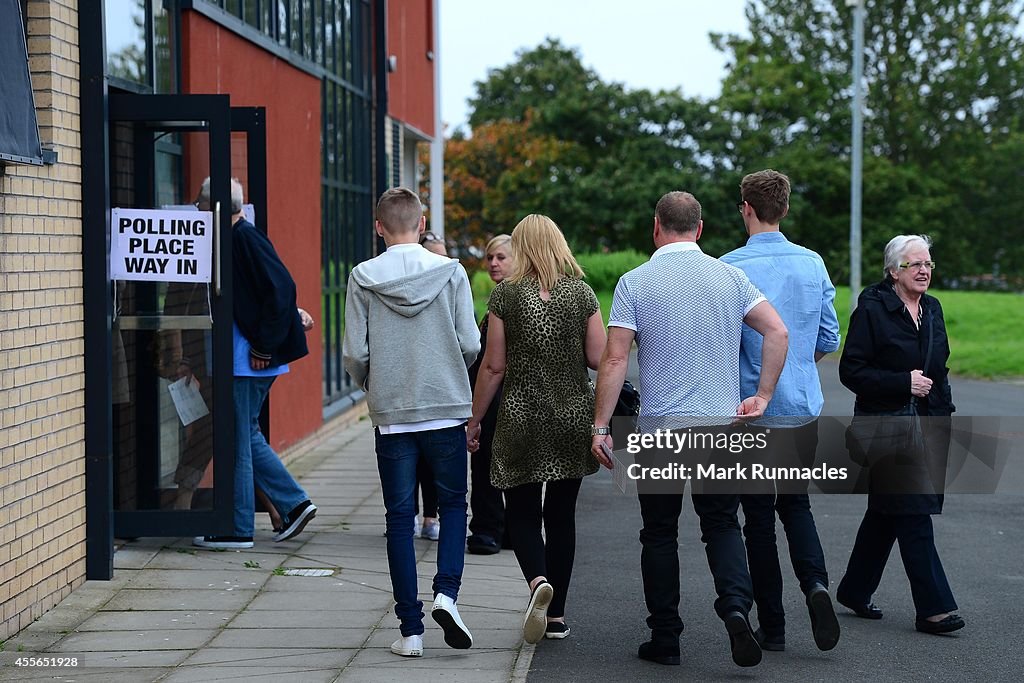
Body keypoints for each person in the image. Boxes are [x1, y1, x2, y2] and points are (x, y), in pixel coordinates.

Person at [591, 191, 788, 668]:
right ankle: (736, 609)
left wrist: (600, 425)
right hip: (721, 425)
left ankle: (666, 637)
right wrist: (760, 396)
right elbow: (778, 332)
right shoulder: (731, 277)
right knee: (721, 525)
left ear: (657, 227)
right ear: (699, 229)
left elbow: (615, 357)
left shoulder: (635, 281)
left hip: (660, 428)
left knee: (658, 534)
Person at [344, 187, 480, 658]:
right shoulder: (451, 272)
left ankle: (411, 631)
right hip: (444, 406)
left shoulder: (363, 277)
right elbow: (469, 343)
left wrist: (371, 383)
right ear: (422, 225)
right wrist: (450, 373)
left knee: (399, 520)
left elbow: (355, 352)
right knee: (454, 506)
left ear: (379, 227)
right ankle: (447, 593)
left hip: (393, 413)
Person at [467, 215, 606, 643]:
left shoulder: (506, 296)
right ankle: (558, 615)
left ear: (523, 247)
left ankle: (536, 583)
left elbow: (493, 366)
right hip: (572, 416)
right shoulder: (581, 293)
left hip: (520, 416)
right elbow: (599, 359)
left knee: (522, 512)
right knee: (561, 516)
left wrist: (474, 421)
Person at [720, 169, 842, 653]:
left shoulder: (728, 267)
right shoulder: (812, 263)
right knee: (796, 504)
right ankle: (815, 584)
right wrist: (796, 369)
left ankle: (773, 626)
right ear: (784, 208)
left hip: (749, 408)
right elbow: (828, 337)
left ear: (746, 208)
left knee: (758, 520)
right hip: (800, 406)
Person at [836, 234, 964, 635]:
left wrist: (942, 417)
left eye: (928, 263)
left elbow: (939, 370)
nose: (924, 270)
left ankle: (855, 590)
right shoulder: (872, 309)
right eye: (914, 264)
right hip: (884, 427)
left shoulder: (933, 308)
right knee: (912, 513)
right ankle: (934, 609)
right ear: (894, 271)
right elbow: (851, 371)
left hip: (925, 425)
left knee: (887, 513)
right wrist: (900, 382)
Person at [193, 177, 317, 550]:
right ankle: (294, 505)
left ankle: (237, 527)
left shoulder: (243, 237)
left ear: (214, 207)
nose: (195, 210)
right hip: (245, 359)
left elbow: (280, 288)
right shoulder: (234, 239)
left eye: (199, 203)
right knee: (245, 434)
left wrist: (262, 346)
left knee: (237, 440)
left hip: (247, 361)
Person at [466, 234, 515, 555]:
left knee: (489, 463)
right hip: (495, 393)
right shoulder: (499, 298)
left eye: (501, 257)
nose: (493, 263)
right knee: (489, 464)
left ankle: (489, 530)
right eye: (489, 258)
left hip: (503, 396)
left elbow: (493, 363)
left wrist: (476, 413)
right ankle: (503, 529)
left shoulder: (509, 301)